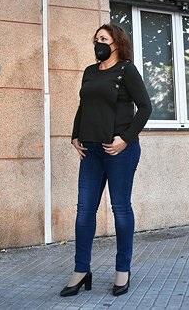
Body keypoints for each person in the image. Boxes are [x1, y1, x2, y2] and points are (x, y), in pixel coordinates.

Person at [60, 24, 152, 298]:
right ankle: (81, 270)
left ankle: (122, 270)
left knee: (120, 209)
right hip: (91, 151)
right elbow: (83, 105)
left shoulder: (126, 70)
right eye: (96, 39)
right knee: (84, 211)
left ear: (116, 43)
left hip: (119, 151)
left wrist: (124, 139)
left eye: (103, 39)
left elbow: (146, 107)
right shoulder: (90, 72)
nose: (98, 43)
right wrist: (75, 135)